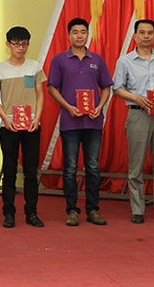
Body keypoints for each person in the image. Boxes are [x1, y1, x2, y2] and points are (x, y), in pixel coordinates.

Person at [47, 17, 113, 227]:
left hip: (93, 122)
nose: (79, 35)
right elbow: (52, 88)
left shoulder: (97, 60)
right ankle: (72, 210)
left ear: (87, 34)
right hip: (70, 121)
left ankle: (93, 209)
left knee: (93, 166)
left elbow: (106, 87)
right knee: (70, 167)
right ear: (69, 35)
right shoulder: (59, 60)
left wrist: (100, 106)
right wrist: (68, 107)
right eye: (75, 32)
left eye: (83, 32)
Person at [113, 19, 154, 224]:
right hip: (138, 114)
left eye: (150, 32)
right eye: (142, 32)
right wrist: (136, 97)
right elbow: (117, 88)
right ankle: (137, 209)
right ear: (135, 36)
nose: (146, 36)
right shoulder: (125, 61)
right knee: (136, 165)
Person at [0, 26, 46, 228]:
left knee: (31, 171)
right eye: (16, 44)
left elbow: (40, 94)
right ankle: (9, 213)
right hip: (9, 126)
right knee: (9, 170)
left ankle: (32, 212)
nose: (20, 48)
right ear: (8, 44)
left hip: (31, 126)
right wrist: (6, 119)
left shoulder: (35, 67)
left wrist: (37, 118)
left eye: (24, 44)